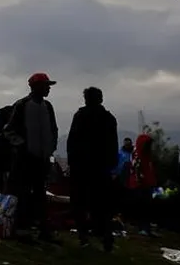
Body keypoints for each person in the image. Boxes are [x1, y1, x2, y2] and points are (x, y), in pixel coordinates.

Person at [4, 72, 59, 241]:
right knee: (23, 193)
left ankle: (43, 230)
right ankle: (21, 228)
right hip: (25, 159)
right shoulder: (22, 105)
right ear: (36, 87)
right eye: (46, 85)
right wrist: (21, 146)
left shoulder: (48, 106)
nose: (48, 88)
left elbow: (53, 129)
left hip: (42, 159)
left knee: (40, 195)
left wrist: (51, 148)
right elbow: (9, 130)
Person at [66, 87, 118, 251]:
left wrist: (72, 163)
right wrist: (111, 165)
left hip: (81, 168)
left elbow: (71, 142)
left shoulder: (80, 116)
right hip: (101, 168)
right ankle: (106, 236)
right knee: (103, 205)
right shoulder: (109, 118)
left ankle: (84, 237)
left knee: (79, 203)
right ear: (101, 99)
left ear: (86, 99)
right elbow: (113, 144)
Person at [128, 133, 157, 236]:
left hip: (146, 185)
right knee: (142, 208)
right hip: (140, 186)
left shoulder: (146, 156)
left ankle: (147, 228)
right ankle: (142, 228)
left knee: (147, 208)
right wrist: (142, 182)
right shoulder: (138, 156)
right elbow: (137, 172)